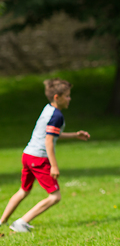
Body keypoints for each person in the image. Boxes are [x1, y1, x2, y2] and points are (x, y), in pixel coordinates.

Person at [0, 78, 90, 232]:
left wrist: (75, 135)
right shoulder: (57, 116)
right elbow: (49, 141)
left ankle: (2, 221)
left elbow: (51, 135)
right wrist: (53, 166)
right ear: (57, 97)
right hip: (39, 158)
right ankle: (21, 223)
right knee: (55, 196)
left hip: (28, 154)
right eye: (67, 96)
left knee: (24, 190)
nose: (70, 99)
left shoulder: (48, 109)